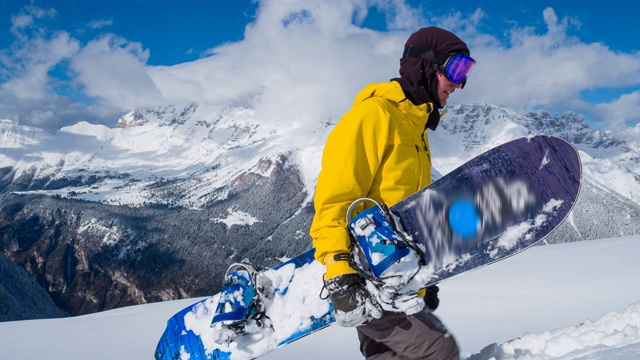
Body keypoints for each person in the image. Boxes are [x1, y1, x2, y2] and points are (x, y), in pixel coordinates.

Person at [309, 27, 476, 360]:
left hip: (398, 279)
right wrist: (340, 272)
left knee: (390, 356)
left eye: (467, 72)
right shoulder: (373, 117)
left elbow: (407, 213)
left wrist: (424, 280)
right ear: (426, 67)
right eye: (456, 69)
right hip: (366, 274)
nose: (459, 83)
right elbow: (334, 199)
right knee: (438, 350)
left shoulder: (417, 132)